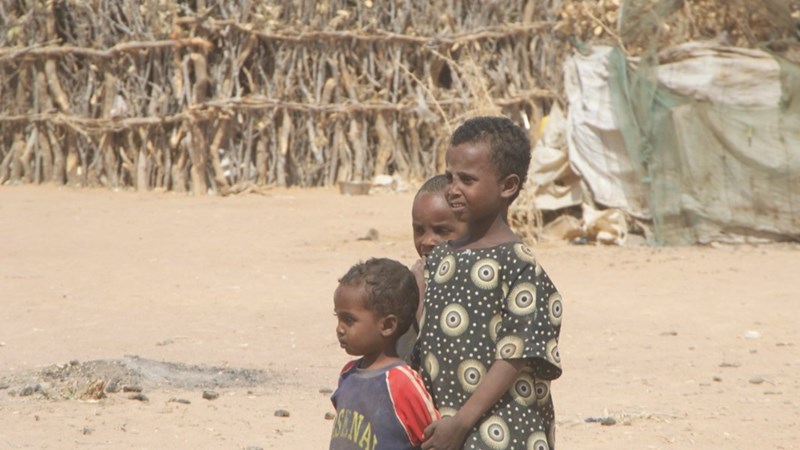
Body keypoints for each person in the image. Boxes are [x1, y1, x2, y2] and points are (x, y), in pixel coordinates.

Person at [415, 117, 564, 450]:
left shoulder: (518, 264)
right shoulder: (441, 258)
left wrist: (461, 423)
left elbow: (515, 354)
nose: (453, 189)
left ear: (507, 186)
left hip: (504, 432)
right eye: (450, 177)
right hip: (444, 428)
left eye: (467, 180)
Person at [330, 258, 440, 450]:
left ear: (388, 325)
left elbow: (433, 436)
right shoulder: (348, 374)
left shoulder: (401, 382)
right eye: (338, 318)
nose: (340, 329)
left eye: (349, 320)